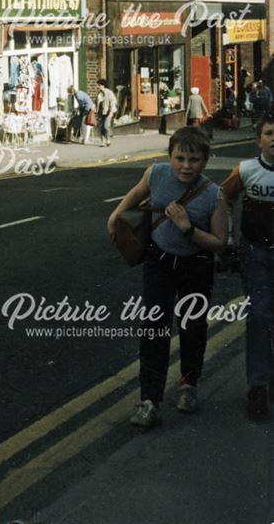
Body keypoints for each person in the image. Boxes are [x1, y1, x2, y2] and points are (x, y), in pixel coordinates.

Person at [107, 126, 227, 428]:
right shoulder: (156, 173)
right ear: (170, 156)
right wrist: (115, 215)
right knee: (153, 329)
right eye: (180, 158)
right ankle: (149, 400)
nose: (186, 166)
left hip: (196, 265)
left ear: (206, 160)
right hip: (158, 262)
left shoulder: (214, 194)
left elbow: (220, 242)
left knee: (192, 328)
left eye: (195, 160)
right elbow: (136, 194)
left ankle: (188, 385)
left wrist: (188, 228)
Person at [220, 113, 274, 421]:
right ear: (259, 140)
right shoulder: (245, 170)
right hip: (255, 253)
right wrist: (227, 238)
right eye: (269, 133)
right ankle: (257, 385)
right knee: (258, 316)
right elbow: (224, 198)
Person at [96, 78, 116, 147]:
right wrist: (96, 112)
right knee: (101, 128)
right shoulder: (99, 94)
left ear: (103, 85)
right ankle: (103, 142)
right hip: (101, 113)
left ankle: (108, 140)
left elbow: (113, 102)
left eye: (99, 85)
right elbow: (98, 104)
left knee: (106, 126)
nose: (97, 86)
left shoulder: (109, 92)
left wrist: (111, 112)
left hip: (108, 112)